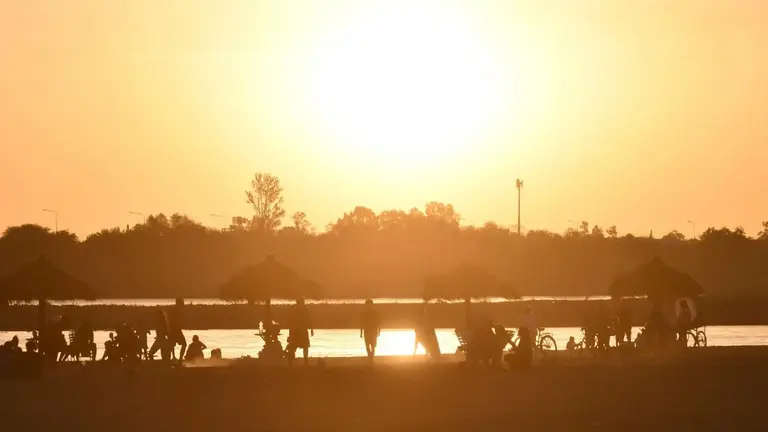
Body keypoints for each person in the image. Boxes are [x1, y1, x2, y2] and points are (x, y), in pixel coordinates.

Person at [286, 298, 314, 366]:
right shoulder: (294, 309)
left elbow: (308, 318)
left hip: (301, 330)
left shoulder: (304, 309)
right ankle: (291, 363)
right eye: (302, 302)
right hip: (296, 330)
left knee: (305, 346)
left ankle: (305, 362)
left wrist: (311, 329)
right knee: (293, 347)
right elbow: (290, 320)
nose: (302, 304)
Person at [168, 298, 187, 363]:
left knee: (172, 344)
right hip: (175, 329)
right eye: (182, 303)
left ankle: (174, 357)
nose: (183, 304)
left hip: (174, 329)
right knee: (184, 344)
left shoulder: (176, 310)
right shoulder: (177, 310)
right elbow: (173, 320)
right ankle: (179, 358)